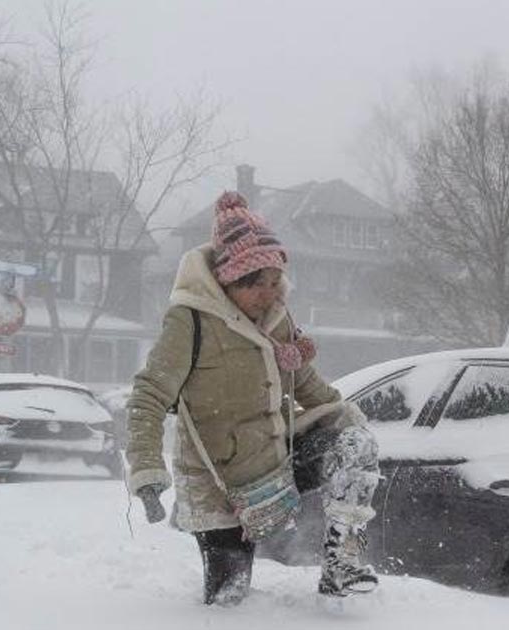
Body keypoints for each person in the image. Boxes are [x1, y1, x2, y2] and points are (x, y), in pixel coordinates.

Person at [125, 191, 381, 605]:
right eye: (255, 283)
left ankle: (343, 563)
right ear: (228, 280)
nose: (269, 293)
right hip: (219, 482)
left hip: (277, 460)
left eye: (274, 280)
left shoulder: (277, 319)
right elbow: (148, 396)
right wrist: (148, 472)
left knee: (354, 442)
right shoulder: (190, 320)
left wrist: (354, 422)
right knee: (230, 599)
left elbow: (308, 386)